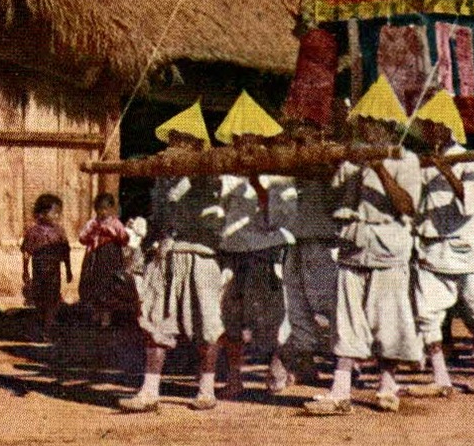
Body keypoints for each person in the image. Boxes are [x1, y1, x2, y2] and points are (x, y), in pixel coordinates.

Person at [304, 78, 423, 415]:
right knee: (346, 320)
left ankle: (388, 385)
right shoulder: (350, 161)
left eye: (372, 124)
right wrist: (340, 170)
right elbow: (331, 203)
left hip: (388, 246)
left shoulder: (406, 160)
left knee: (389, 319)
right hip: (353, 245)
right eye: (363, 124)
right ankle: (340, 391)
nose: (366, 130)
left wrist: (379, 168)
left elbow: (407, 206)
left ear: (386, 127)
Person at [121, 101, 227, 413]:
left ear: (195, 145)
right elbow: (158, 219)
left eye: (182, 140)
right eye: (173, 139)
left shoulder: (209, 173)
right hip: (167, 254)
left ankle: (206, 389)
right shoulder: (162, 179)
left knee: (207, 324)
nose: (174, 146)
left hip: (200, 256)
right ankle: (149, 390)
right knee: (155, 323)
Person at [409, 90, 474, 396]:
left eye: (437, 125)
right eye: (427, 126)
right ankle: (440, 377)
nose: (431, 132)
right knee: (427, 314)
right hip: (433, 248)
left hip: (468, 248)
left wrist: (445, 169)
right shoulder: (420, 163)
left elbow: (472, 200)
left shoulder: (473, 161)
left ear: (450, 128)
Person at [213, 91, 291, 399]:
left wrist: (258, 184)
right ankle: (234, 377)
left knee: (272, 317)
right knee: (229, 316)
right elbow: (215, 214)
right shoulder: (222, 174)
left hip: (265, 251)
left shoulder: (278, 175)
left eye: (252, 139)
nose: (246, 145)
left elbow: (281, 218)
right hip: (232, 253)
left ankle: (277, 367)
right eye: (239, 139)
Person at [280, 115, 342, 386]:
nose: (299, 143)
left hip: (322, 241)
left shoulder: (331, 162)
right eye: (296, 138)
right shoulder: (289, 165)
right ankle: (306, 365)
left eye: (305, 138)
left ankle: (346, 367)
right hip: (294, 241)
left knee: (330, 306)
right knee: (296, 308)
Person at [20, 193, 72, 341]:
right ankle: (41, 328)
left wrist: (68, 270)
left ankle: (47, 330)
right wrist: (25, 271)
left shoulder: (60, 232)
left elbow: (65, 252)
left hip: (54, 274)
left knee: (53, 300)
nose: (57, 216)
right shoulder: (33, 232)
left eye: (58, 213)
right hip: (39, 272)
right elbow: (26, 253)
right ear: (42, 214)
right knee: (39, 301)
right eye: (54, 212)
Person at [78, 192, 129, 329]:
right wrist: (92, 233)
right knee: (94, 283)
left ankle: (106, 316)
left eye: (106, 208)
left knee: (109, 285)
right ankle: (96, 313)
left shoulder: (116, 223)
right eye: (99, 208)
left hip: (111, 259)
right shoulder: (92, 223)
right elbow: (81, 239)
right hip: (95, 259)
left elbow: (125, 239)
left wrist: (112, 233)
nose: (103, 212)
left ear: (112, 209)